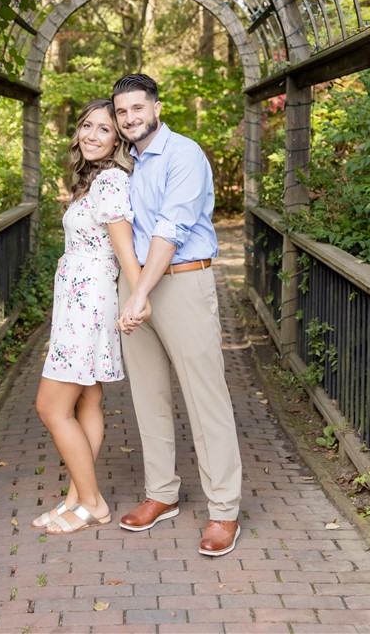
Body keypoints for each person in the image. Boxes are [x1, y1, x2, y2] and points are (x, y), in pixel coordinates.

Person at [112, 73, 242, 557]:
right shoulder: (127, 162)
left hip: (180, 282)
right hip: (138, 286)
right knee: (148, 394)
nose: (130, 119)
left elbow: (172, 227)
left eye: (137, 109)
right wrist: (132, 289)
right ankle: (161, 493)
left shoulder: (183, 154)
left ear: (156, 107)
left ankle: (224, 510)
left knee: (205, 396)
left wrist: (140, 291)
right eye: (122, 112)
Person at [32, 98, 146, 536]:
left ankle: (93, 502)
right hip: (79, 300)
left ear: (118, 139)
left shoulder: (111, 181)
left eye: (104, 129)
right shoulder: (92, 181)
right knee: (88, 399)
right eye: (86, 126)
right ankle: (76, 498)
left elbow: (123, 247)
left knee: (50, 406)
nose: (92, 135)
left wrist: (140, 295)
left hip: (89, 305)